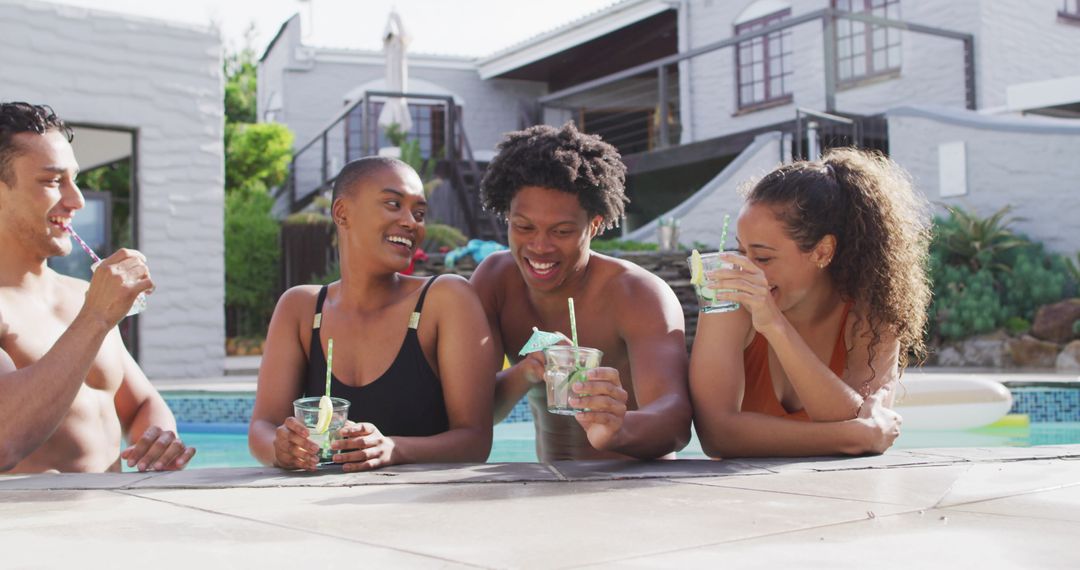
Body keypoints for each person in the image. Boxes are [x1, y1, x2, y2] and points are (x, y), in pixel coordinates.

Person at [249, 156, 495, 472]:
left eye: (419, 213)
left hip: (426, 511)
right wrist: (281, 447)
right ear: (342, 212)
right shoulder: (300, 309)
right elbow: (262, 428)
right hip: (317, 513)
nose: (411, 222)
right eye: (393, 204)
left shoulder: (445, 299)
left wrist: (394, 448)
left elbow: (475, 442)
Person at [471, 122, 691, 462]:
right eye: (523, 227)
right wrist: (526, 372)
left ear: (595, 225)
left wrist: (617, 430)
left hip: (638, 488)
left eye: (561, 231)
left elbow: (675, 422)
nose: (539, 246)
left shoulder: (639, 295)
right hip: (547, 485)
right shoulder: (496, 281)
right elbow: (471, 412)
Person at [690, 148, 931, 457]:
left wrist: (775, 328)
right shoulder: (729, 302)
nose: (746, 269)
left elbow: (861, 425)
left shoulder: (873, 313)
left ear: (822, 252)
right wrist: (852, 437)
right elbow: (716, 436)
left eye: (762, 257)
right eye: (741, 252)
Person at [0, 102, 194, 473]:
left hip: (113, 524)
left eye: (75, 179)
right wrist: (98, 315)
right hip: (32, 529)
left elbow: (140, 405)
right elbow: (4, 440)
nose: (77, 200)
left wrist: (159, 439)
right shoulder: (92, 308)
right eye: (53, 181)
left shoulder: (81, 296)